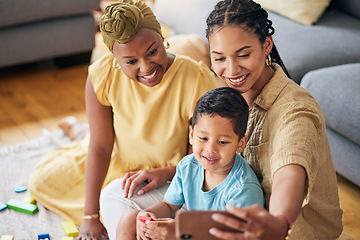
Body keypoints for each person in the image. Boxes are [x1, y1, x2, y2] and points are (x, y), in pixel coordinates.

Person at [27, 0, 219, 239]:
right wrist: (90, 216)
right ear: (115, 59)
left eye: (153, 51)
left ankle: (80, 131)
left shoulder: (196, 78)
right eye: (131, 61)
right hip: (118, 165)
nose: (147, 67)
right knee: (42, 181)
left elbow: (202, 156)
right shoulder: (103, 74)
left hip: (168, 175)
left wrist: (166, 172)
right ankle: (81, 132)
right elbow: (100, 146)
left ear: (162, 38)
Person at [203, 0, 343, 239]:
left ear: (266, 45)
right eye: (219, 59)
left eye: (243, 55)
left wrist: (279, 222)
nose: (231, 70)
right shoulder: (223, 97)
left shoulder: (296, 110)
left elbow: (289, 174)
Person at [117, 87, 265, 240]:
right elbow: (169, 205)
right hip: (192, 232)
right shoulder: (189, 165)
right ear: (192, 135)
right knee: (130, 220)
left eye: (222, 142)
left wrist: (178, 233)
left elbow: (232, 236)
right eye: (203, 138)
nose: (210, 149)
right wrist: (149, 214)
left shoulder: (243, 189)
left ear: (241, 144)